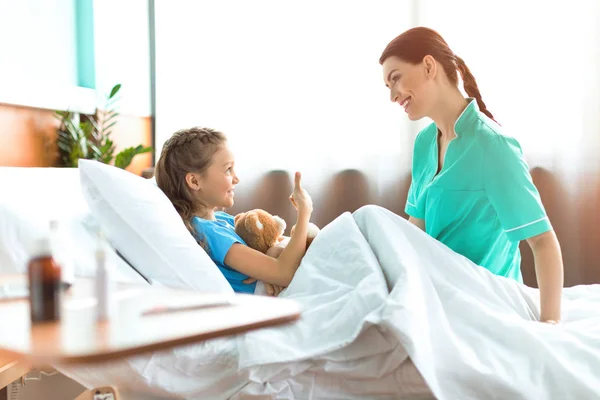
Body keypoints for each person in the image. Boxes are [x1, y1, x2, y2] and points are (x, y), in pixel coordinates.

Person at [379, 27, 563, 323]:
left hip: (487, 302)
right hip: (438, 294)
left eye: (395, 78)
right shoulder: (425, 143)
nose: (391, 95)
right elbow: (414, 235)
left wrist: (550, 326)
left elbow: (542, 242)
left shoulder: (493, 146)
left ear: (428, 66)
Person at [154, 127, 313, 296]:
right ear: (194, 181)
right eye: (228, 170)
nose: (236, 178)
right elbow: (284, 273)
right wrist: (304, 212)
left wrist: (269, 260)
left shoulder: (222, 220)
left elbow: (279, 243)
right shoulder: (209, 233)